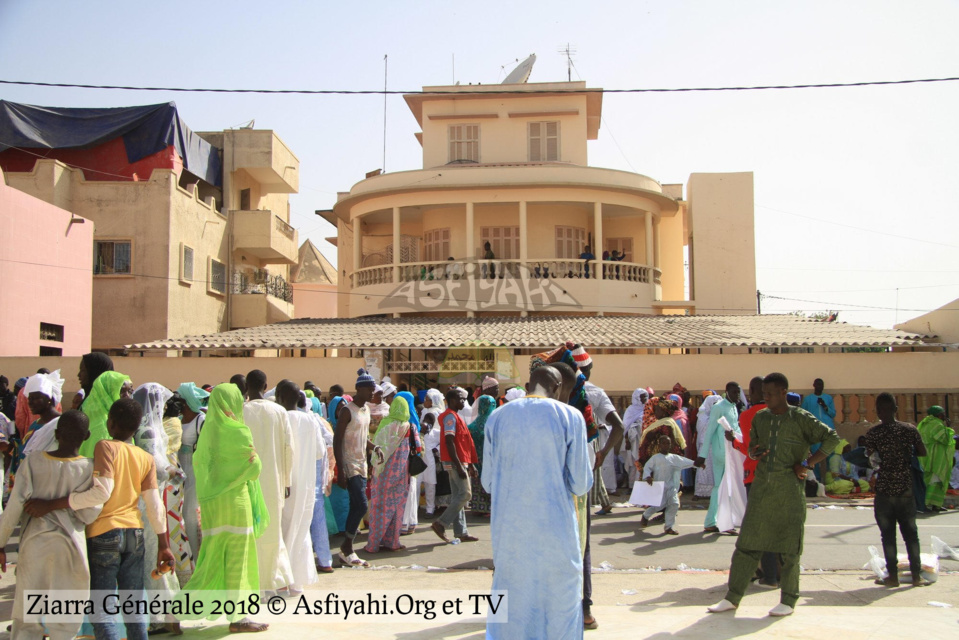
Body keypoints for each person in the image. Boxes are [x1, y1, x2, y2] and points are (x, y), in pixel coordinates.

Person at [27, 398, 175, 640]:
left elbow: (102, 492)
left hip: (104, 533)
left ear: (111, 424)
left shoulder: (105, 446)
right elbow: (154, 504)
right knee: (134, 605)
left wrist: (52, 504)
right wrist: (164, 545)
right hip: (135, 534)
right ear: (136, 428)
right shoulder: (144, 457)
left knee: (102, 609)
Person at [707, 372, 839, 618]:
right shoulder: (760, 418)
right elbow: (752, 449)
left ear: (782, 392)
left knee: (790, 549)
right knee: (746, 544)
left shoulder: (801, 418)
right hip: (761, 489)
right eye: (763, 393)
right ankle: (732, 597)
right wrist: (754, 454)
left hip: (789, 490)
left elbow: (831, 438)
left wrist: (809, 463)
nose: (764, 398)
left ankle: (788, 600)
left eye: (769, 394)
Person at [482, 365, 592, 639]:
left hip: (510, 534)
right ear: (556, 388)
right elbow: (581, 483)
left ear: (530, 384)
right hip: (556, 534)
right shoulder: (570, 416)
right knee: (560, 603)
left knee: (510, 598)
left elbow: (488, 484)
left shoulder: (497, 417)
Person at [175, 384, 271, 633]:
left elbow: (202, 466)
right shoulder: (239, 431)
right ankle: (240, 618)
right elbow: (254, 468)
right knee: (239, 562)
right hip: (237, 506)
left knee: (212, 559)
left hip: (213, 507)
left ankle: (176, 610)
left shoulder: (208, 432)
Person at [0, 410, 101, 640]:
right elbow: (89, 515)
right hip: (70, 549)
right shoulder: (89, 468)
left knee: (28, 617)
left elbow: (13, 507)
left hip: (35, 545)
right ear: (87, 436)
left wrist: (1, 544)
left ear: (56, 433)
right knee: (64, 618)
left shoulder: (33, 462)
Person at [131, 383, 182, 634]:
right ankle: (164, 614)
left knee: (151, 556)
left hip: (148, 497)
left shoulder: (145, 427)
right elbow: (159, 468)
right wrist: (175, 471)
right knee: (154, 554)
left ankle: (162, 615)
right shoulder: (149, 430)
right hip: (148, 497)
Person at [864, 393, 929, 587]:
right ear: (896, 409)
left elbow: (870, 458)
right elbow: (922, 452)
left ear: (877, 411)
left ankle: (893, 576)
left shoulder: (873, 433)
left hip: (884, 489)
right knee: (911, 534)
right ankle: (916, 576)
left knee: (888, 535)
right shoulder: (909, 430)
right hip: (905, 489)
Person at [242, 369, 294, 594]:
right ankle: (272, 581)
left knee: (251, 531)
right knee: (273, 531)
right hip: (274, 481)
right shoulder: (279, 411)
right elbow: (288, 449)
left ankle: (254, 584)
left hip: (248, 481)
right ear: (266, 386)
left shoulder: (241, 412)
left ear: (246, 388)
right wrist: (287, 481)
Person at [732, 376, 779, 587]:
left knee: (758, 528)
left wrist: (733, 442)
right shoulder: (780, 415)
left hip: (756, 476)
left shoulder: (748, 415)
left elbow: (750, 449)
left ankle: (767, 575)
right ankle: (773, 572)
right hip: (779, 475)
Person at [276, 380, 319, 594]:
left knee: (283, 530)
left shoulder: (281, 418)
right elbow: (320, 452)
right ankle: (296, 582)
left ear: (281, 398)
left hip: (285, 483)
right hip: (307, 485)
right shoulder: (310, 420)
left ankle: (283, 580)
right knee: (301, 530)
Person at [365, 395, 421, 553]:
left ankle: (373, 544)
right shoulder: (410, 427)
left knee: (379, 507)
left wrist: (374, 467)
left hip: (383, 474)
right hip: (402, 475)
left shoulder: (385, 424)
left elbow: (376, 447)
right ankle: (393, 542)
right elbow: (418, 448)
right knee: (397, 508)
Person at [333, 369, 376, 567]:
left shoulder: (366, 410)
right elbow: (338, 440)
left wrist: (373, 446)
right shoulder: (346, 410)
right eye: (369, 389)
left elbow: (362, 435)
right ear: (359, 388)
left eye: (373, 389)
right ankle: (347, 547)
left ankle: (347, 548)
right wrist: (340, 470)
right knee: (361, 504)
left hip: (362, 462)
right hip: (349, 463)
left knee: (357, 504)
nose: (372, 392)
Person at [430, 387, 478, 544]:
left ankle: (461, 532)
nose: (463, 401)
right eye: (460, 399)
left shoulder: (455, 416)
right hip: (454, 462)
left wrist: (470, 464)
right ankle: (441, 523)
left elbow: (462, 443)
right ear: (452, 401)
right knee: (465, 494)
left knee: (458, 496)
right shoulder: (450, 417)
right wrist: (459, 465)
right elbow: (449, 441)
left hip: (459, 460)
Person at [696, 382, 741, 533]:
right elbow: (709, 432)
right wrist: (701, 456)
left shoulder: (733, 407)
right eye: (734, 392)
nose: (737, 395)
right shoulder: (718, 407)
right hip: (720, 453)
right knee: (721, 487)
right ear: (727, 392)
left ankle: (713, 521)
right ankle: (723, 523)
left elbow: (736, 428)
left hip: (731, 451)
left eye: (738, 392)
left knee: (725, 487)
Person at [160, 394, 194, 585]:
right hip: (172, 473)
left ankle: (181, 573)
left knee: (173, 523)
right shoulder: (173, 421)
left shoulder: (171, 423)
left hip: (170, 475)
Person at [176, 382, 208, 559]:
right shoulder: (177, 420)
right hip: (179, 469)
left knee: (190, 514)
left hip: (194, 470)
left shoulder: (200, 420)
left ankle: (197, 558)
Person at [640, 435, 696, 535]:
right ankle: (646, 515)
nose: (666, 445)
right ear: (659, 445)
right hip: (660, 487)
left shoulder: (674, 458)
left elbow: (686, 462)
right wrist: (648, 476)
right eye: (664, 443)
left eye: (668, 443)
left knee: (674, 504)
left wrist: (697, 464)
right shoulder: (655, 458)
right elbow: (647, 467)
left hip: (671, 487)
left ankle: (669, 527)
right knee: (658, 506)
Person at [80, 366, 132, 458]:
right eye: (122, 391)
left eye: (130, 391)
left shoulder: (118, 421)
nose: (127, 396)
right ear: (106, 392)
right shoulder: (103, 427)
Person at [16, 370, 65, 467]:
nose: (30, 402)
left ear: (50, 399)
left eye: (36, 398)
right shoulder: (35, 425)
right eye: (30, 398)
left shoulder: (62, 423)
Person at [916, 406, 955, 512]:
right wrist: (948, 427)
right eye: (943, 414)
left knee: (927, 480)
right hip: (936, 458)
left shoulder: (924, 423)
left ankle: (934, 504)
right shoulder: (937, 424)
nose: (944, 416)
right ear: (939, 415)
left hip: (925, 457)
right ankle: (932, 504)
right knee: (936, 480)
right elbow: (945, 440)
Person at [398, 390, 423, 536]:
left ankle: (404, 523)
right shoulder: (414, 417)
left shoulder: (406, 421)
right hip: (413, 463)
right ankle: (411, 522)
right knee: (411, 492)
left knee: (406, 493)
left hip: (405, 462)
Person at [418, 389, 446, 519]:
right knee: (418, 481)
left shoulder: (438, 413)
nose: (425, 402)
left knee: (430, 481)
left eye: (427, 399)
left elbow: (441, 435)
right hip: (422, 449)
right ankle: (418, 506)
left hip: (431, 451)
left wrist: (437, 449)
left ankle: (430, 507)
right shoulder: (424, 411)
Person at [636, 397, 687, 468]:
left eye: (657, 410)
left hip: (661, 460)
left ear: (664, 412)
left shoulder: (666, 424)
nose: (655, 412)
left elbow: (669, 441)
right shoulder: (661, 422)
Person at [467, 395, 496, 516]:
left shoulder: (473, 425)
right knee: (490, 481)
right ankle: (490, 508)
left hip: (476, 458)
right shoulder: (495, 423)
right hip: (491, 458)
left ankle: (478, 507)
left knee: (477, 481)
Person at [694, 393, 721, 500]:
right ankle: (700, 492)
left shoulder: (721, 415)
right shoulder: (702, 416)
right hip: (705, 446)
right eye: (713, 404)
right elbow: (702, 431)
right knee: (703, 469)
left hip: (717, 446)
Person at [622, 388, 650, 486]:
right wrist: (627, 441)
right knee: (633, 462)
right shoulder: (630, 410)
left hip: (645, 439)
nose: (645, 399)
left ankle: (642, 484)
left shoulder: (648, 408)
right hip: (633, 440)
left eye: (646, 397)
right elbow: (625, 426)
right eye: (642, 397)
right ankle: (631, 485)